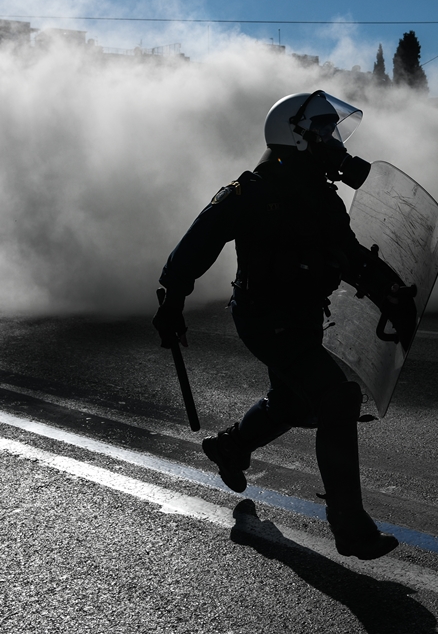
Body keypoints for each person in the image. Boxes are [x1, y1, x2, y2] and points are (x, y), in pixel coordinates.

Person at [152, 90, 408, 560]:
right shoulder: (250, 192)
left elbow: (350, 256)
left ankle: (231, 447)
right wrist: (172, 300)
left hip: (305, 317)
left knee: (291, 401)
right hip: (264, 318)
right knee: (335, 397)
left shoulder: (325, 200)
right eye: (325, 132)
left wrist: (392, 291)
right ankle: (349, 527)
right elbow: (196, 245)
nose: (335, 142)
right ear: (297, 135)